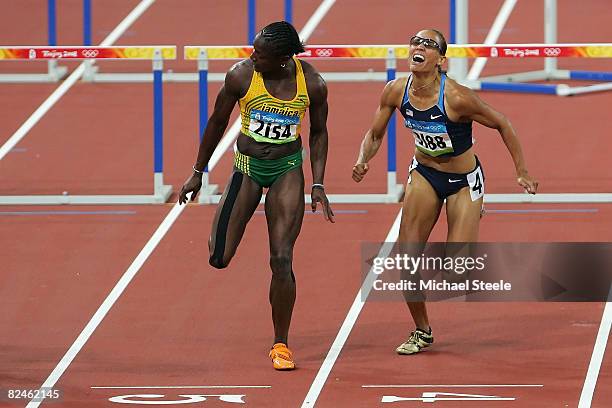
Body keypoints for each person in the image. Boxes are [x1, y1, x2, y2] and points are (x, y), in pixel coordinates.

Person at [352, 29, 538, 355]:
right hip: (424, 175)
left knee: (456, 273)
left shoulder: (457, 97)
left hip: (463, 181)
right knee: (406, 260)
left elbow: (503, 123)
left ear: (441, 59)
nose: (419, 47)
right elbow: (375, 132)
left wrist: (521, 171)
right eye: (415, 41)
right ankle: (421, 331)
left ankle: (473, 210)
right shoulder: (396, 91)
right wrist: (363, 158)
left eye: (428, 44)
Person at [179, 21, 334, 370]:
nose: (252, 56)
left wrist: (318, 183)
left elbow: (319, 133)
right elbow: (217, 121)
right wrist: (198, 171)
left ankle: (281, 344)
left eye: (259, 54)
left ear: (281, 59)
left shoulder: (312, 84)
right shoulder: (242, 77)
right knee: (218, 257)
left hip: (287, 170)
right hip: (247, 168)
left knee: (281, 259)